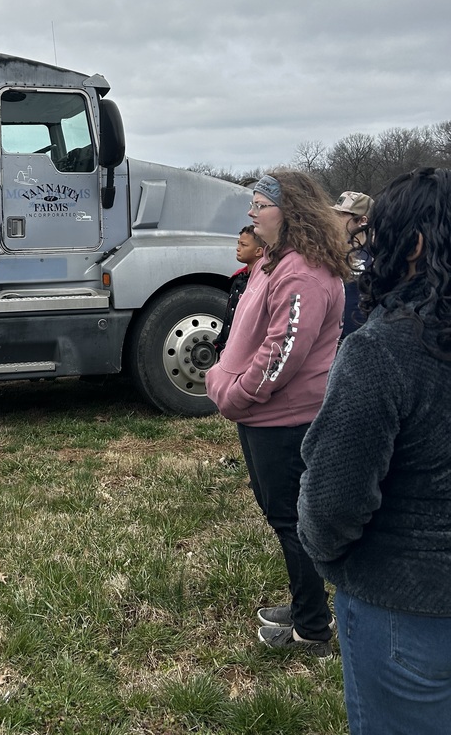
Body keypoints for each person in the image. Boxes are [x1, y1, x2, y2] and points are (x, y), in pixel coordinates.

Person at [298, 167, 451, 732]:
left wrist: (329, 558)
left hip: (405, 612)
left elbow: (333, 501)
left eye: (377, 234)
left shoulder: (380, 350)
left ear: (413, 246)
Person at [206, 171, 348, 656]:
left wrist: (236, 393)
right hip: (261, 415)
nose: (251, 214)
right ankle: (308, 604)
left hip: (283, 419)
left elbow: (281, 354)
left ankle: (313, 629)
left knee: (291, 520)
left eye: (259, 204)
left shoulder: (302, 273)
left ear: (290, 213)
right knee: (283, 516)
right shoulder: (275, 261)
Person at [213, 225, 265, 357]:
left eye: (244, 245)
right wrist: (221, 341)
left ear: (258, 251)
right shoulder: (239, 279)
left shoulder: (261, 283)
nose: (238, 248)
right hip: (226, 348)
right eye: (238, 243)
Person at [332, 190, 373, 341]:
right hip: (333, 340)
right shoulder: (329, 249)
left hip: (365, 338)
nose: (335, 219)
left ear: (362, 220)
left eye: (342, 214)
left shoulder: (378, 253)